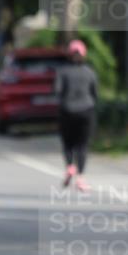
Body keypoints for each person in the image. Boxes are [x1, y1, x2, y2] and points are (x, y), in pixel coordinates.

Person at [55, 39, 98, 191]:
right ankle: (80, 177)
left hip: (67, 111)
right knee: (82, 145)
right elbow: (95, 93)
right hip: (86, 111)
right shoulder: (89, 72)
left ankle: (69, 167)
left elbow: (57, 91)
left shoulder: (62, 71)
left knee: (68, 143)